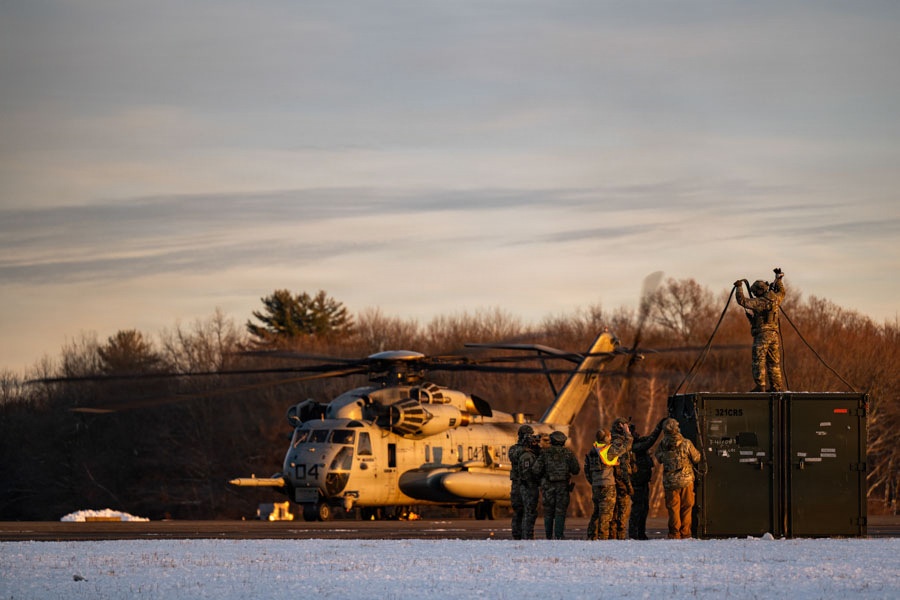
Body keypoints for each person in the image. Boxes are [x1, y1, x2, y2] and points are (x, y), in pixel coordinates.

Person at [734, 267, 786, 392]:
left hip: (763, 335)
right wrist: (778, 279)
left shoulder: (760, 302)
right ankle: (777, 387)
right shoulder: (776, 299)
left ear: (760, 291)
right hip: (774, 335)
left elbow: (742, 301)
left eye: (756, 292)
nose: (755, 294)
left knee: (758, 359)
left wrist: (739, 287)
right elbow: (782, 291)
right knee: (773, 362)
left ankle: (760, 385)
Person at [654, 418, 701, 539]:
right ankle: (685, 533)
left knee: (673, 508)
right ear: (677, 428)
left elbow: (658, 458)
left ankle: (674, 534)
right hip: (686, 481)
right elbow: (697, 458)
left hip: (670, 482)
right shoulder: (686, 443)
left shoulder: (663, 444)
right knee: (686, 507)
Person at [584, 426, 630, 540]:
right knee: (606, 514)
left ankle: (591, 535)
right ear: (605, 438)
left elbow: (587, 470)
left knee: (596, 511)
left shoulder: (593, 451)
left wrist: (593, 481)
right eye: (609, 435)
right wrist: (627, 433)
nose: (611, 436)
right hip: (608, 485)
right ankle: (602, 537)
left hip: (596, 485)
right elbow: (626, 446)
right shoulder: (607, 450)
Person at [532, 430, 579, 539]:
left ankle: (548, 536)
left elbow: (535, 470)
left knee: (548, 512)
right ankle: (559, 535)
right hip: (563, 487)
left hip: (548, 487)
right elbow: (576, 470)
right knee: (560, 512)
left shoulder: (545, 453)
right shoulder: (568, 454)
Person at [627, 418, 665, 540]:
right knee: (638, 507)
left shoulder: (637, 443)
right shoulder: (633, 446)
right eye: (633, 432)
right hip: (637, 481)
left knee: (644, 508)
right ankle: (634, 533)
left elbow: (647, 440)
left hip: (642, 481)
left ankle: (641, 533)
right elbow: (650, 441)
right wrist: (659, 426)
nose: (637, 433)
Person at [609, 417, 635, 540]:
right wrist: (628, 485)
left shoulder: (609, 441)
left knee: (613, 513)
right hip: (620, 482)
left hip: (612, 482)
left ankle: (613, 537)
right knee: (621, 514)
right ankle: (619, 538)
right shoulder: (619, 442)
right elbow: (623, 466)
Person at [508, 424, 533, 540]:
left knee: (529, 509)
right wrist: (524, 448)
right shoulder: (514, 448)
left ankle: (527, 534)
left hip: (529, 483)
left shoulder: (533, 450)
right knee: (518, 509)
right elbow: (513, 455)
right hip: (518, 483)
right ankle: (517, 534)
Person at [518, 434, 542, 540]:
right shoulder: (527, 456)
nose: (537, 445)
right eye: (534, 443)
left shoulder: (531, 455)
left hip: (530, 486)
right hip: (529, 487)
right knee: (529, 512)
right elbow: (526, 473)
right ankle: (527, 535)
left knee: (530, 511)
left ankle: (527, 534)